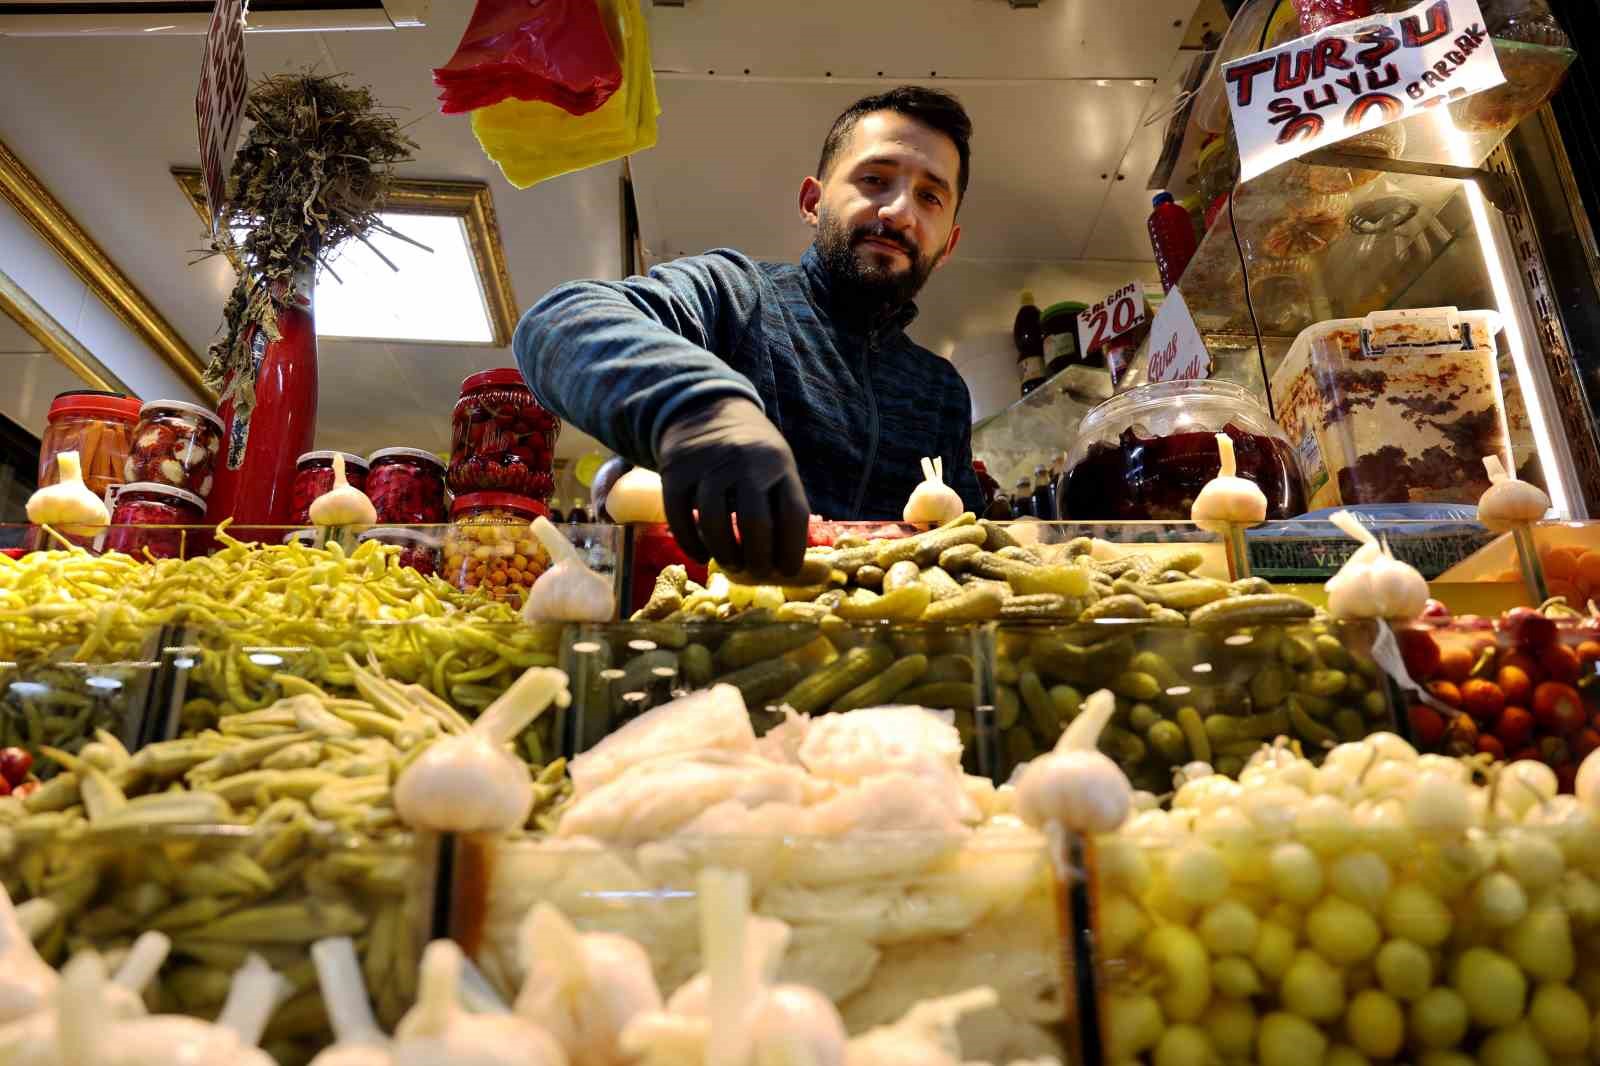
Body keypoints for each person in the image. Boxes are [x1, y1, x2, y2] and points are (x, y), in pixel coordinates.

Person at [515, 85, 984, 578]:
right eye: (874, 179)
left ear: (948, 243)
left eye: (930, 196)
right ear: (813, 202)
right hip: (706, 638)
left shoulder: (941, 392)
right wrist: (700, 411)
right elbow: (559, 321)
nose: (898, 212)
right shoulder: (735, 295)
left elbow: (972, 549)